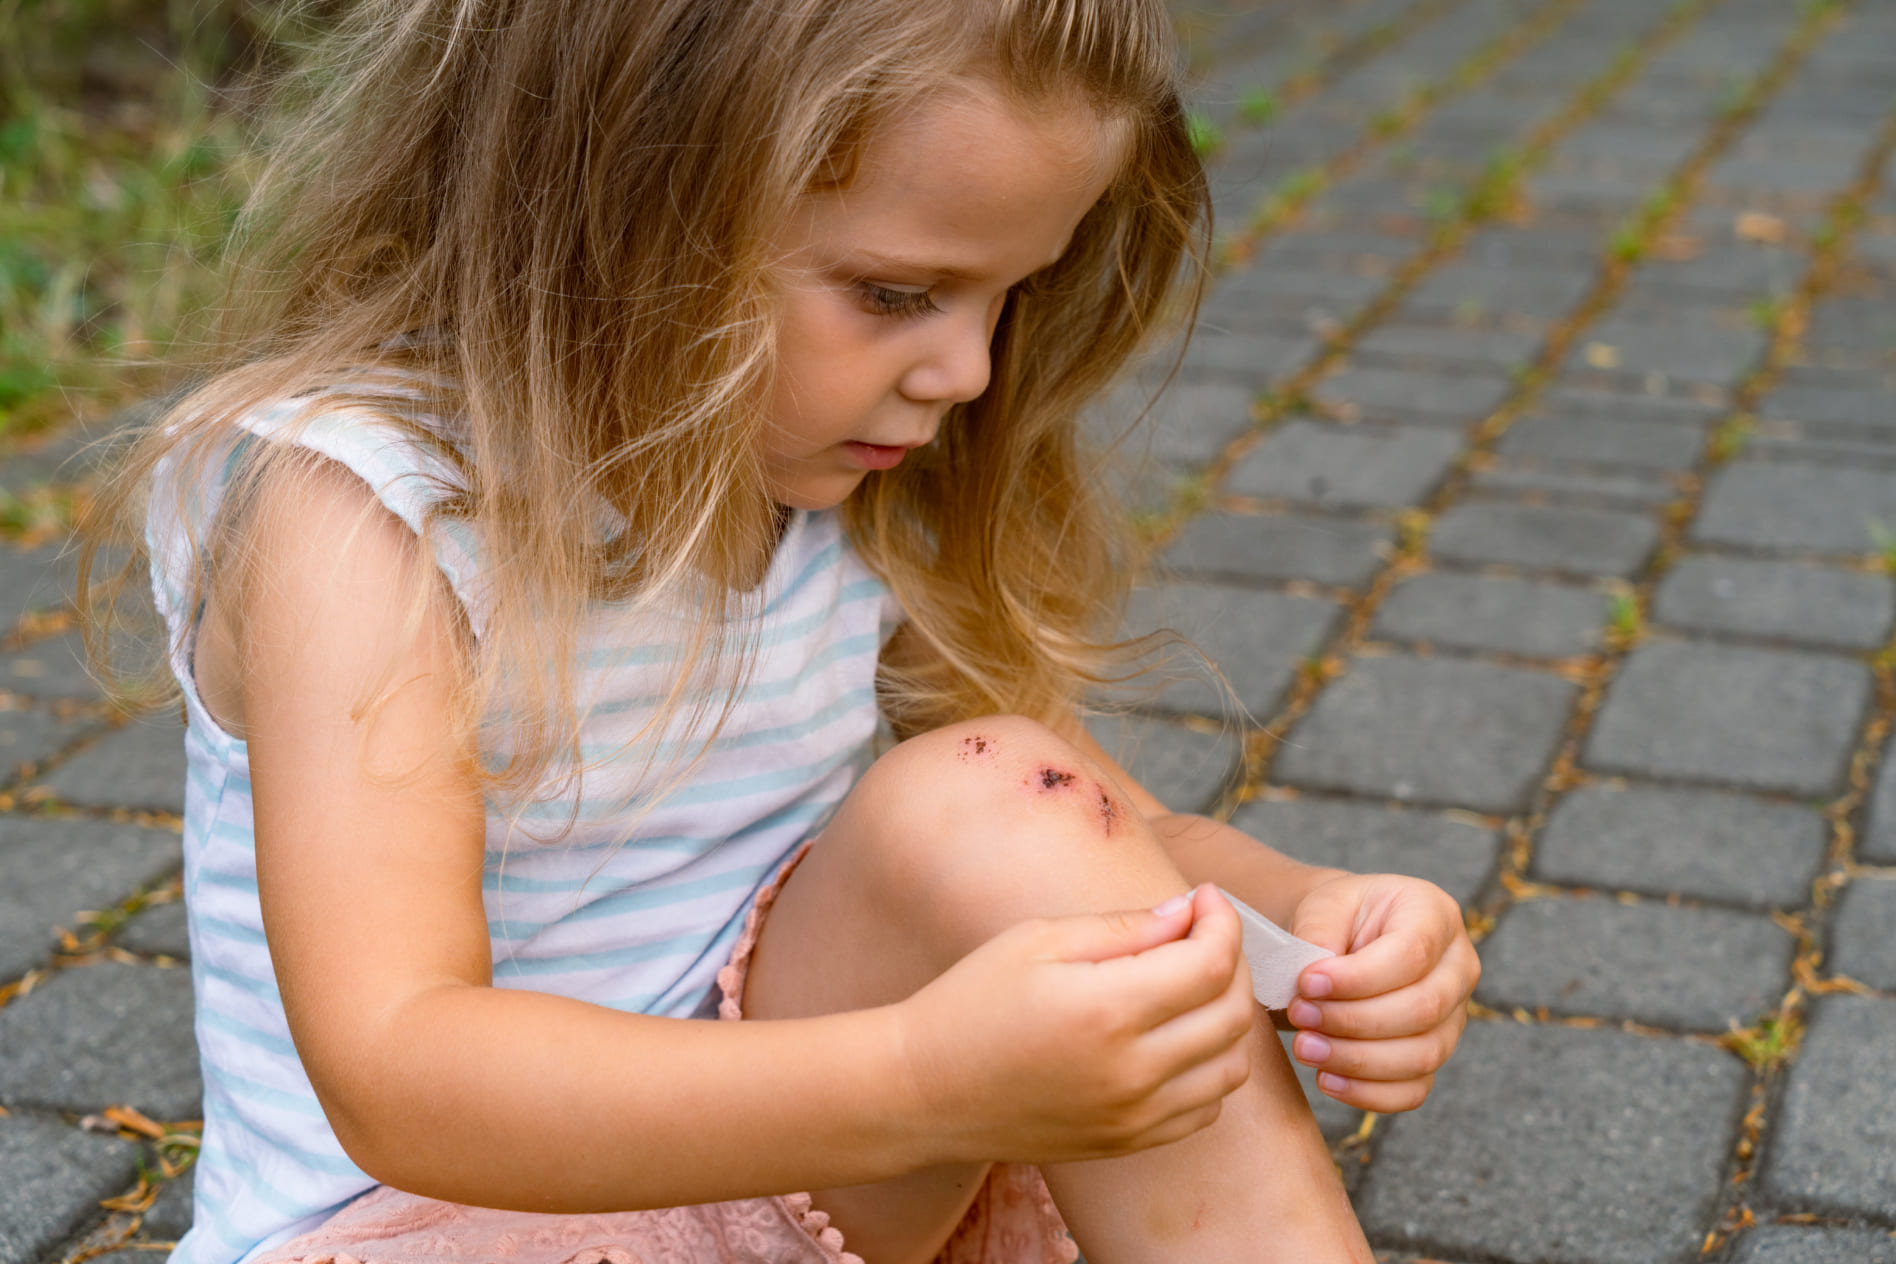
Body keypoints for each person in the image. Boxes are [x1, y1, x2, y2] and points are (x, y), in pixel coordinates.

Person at [83, 1, 1481, 1261]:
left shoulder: (831, 481)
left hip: (799, 1180)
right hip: (438, 1227)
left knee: (1001, 794)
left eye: (1012, 292)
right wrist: (923, 1081)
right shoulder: (368, 509)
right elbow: (399, 1069)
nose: (968, 369)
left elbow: (1074, 847)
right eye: (894, 293)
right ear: (617, 203)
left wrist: (1303, 921)